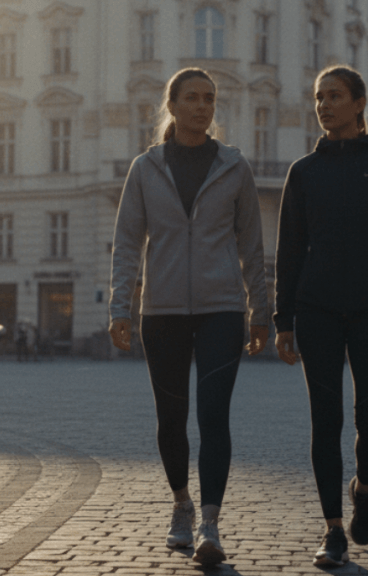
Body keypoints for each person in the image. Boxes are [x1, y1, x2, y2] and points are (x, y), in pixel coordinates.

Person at [108, 68, 269, 567]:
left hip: (223, 308)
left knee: (213, 416)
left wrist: (261, 311)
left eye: (209, 99)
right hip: (163, 311)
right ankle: (182, 504)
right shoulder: (145, 168)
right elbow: (128, 243)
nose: (202, 106)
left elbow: (252, 246)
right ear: (172, 106)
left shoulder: (234, 166)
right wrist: (120, 307)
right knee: (171, 419)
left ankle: (211, 525)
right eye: (192, 98)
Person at [272, 65, 368, 568]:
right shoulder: (304, 172)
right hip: (316, 311)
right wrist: (282, 319)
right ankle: (333, 529)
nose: (324, 105)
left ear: (359, 103)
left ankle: (364, 484)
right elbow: (289, 250)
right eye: (318, 97)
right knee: (325, 420)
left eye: (334, 96)